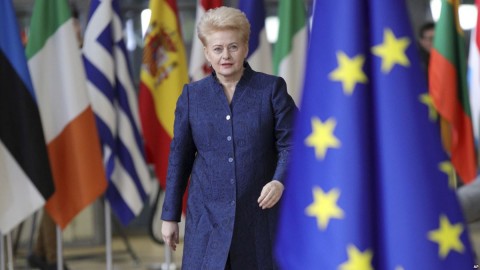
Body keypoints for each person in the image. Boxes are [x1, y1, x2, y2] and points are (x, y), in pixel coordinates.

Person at [160, 6, 297, 270]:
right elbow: (179, 159)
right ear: (206, 53)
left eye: (233, 47)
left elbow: (292, 144)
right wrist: (170, 216)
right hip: (207, 224)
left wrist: (279, 181)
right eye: (218, 48)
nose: (225, 55)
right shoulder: (192, 97)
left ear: (246, 47)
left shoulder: (271, 90)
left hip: (259, 222)